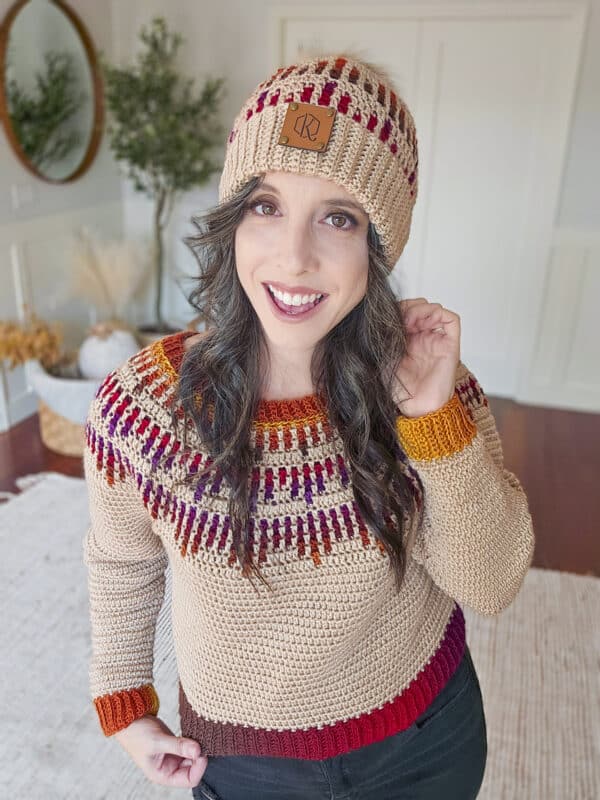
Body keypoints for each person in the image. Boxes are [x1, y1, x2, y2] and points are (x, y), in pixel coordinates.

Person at [82, 53, 535, 800]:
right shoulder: (143, 412)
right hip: (240, 765)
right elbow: (121, 560)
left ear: (375, 249)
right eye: (265, 206)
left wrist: (430, 422)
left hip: (423, 742)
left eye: (338, 217)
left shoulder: (428, 391)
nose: (293, 259)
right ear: (232, 219)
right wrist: (125, 702)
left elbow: (490, 585)